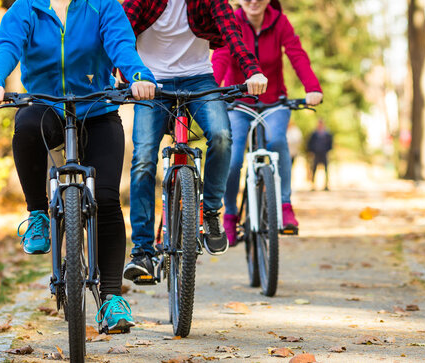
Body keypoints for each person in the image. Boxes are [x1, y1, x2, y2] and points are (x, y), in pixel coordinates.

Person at [0, 0, 157, 334]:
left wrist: (137, 76)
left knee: (105, 199)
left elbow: (121, 45)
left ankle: (112, 299)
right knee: (26, 126)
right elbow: (6, 46)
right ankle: (37, 215)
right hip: (45, 106)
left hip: (97, 110)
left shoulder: (103, 6)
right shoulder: (26, 9)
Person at [120, 0, 269, 282]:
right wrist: (120, 74)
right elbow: (120, 34)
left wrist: (252, 70)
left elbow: (232, 33)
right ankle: (142, 251)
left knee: (223, 136)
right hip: (151, 81)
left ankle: (211, 211)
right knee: (143, 160)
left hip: (199, 78)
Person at [212, 0, 323, 239]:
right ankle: (230, 215)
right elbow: (221, 55)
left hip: (274, 103)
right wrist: (212, 89)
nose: (254, 1)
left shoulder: (279, 21)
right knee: (232, 159)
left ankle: (284, 205)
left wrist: (312, 88)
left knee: (277, 141)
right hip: (238, 103)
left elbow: (297, 55)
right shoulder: (231, 22)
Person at [306, 119, 332, 191]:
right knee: (314, 169)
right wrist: (311, 151)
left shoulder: (327, 134)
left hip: (324, 153)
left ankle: (326, 185)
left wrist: (328, 151)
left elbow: (330, 143)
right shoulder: (314, 134)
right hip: (316, 153)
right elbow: (310, 143)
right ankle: (313, 185)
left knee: (326, 170)